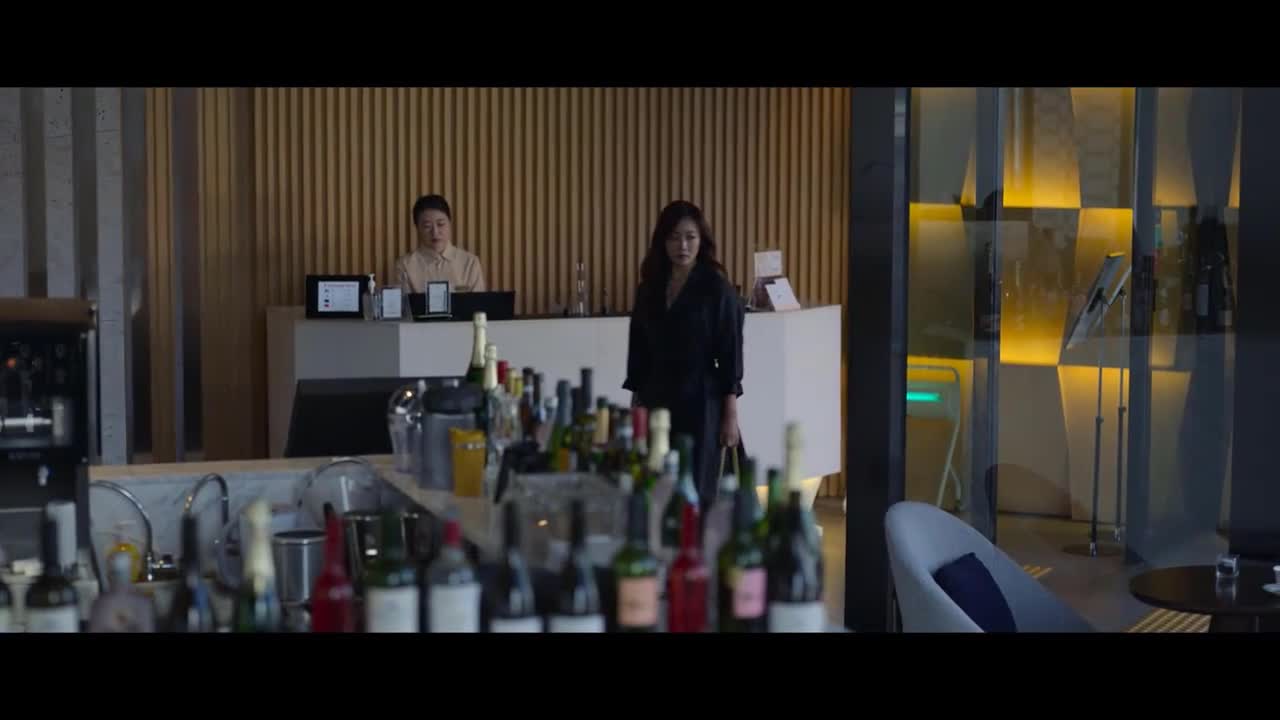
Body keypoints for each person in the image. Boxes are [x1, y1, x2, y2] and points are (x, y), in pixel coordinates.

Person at [624, 200, 745, 505]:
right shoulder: (649, 288)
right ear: (662, 241)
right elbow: (638, 347)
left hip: (700, 400)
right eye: (674, 237)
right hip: (655, 397)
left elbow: (730, 353)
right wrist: (635, 401)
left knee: (696, 489)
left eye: (690, 237)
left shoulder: (716, 289)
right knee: (655, 485)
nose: (683, 246)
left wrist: (730, 415)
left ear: (702, 240)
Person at [395, 194, 487, 293]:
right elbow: (402, 303)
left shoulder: (470, 263)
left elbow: (478, 302)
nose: (435, 232)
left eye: (440, 224)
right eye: (427, 226)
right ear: (417, 228)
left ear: (449, 223)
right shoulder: (405, 266)